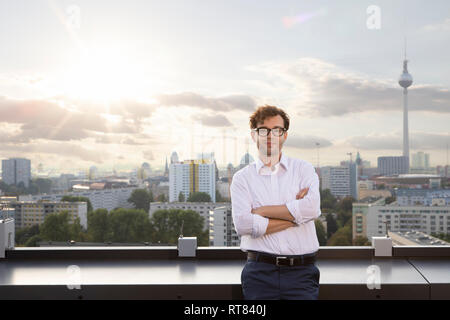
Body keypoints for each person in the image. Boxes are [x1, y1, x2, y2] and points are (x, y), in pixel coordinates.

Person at [230, 105, 321, 300]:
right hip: (259, 274)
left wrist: (262, 211)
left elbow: (312, 208)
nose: (270, 136)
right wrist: (296, 217)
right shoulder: (242, 179)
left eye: (277, 130)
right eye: (263, 130)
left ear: (284, 136)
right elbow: (244, 224)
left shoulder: (303, 169)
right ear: (254, 136)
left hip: (302, 273)